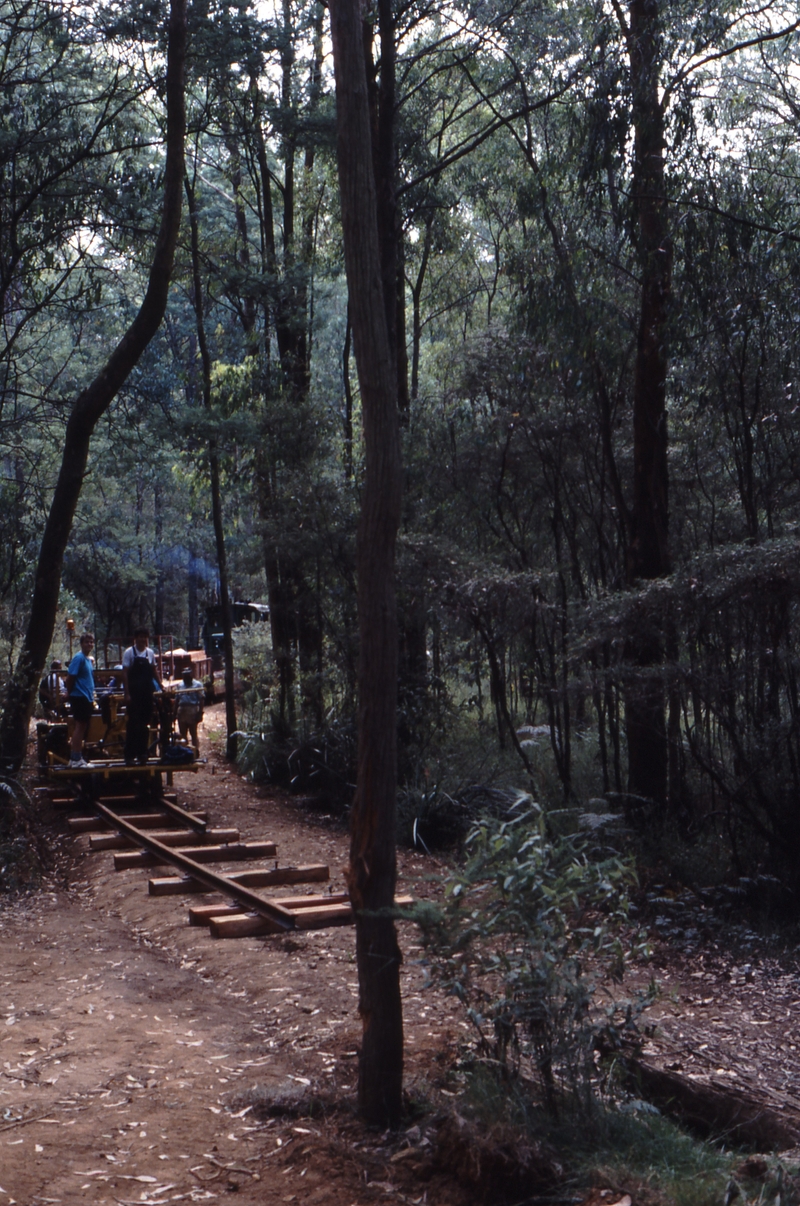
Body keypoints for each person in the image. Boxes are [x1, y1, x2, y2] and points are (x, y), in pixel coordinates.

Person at [122, 627, 165, 765]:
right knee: (133, 725)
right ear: (136, 638)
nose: (143, 639)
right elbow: (124, 673)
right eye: (140, 636)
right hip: (134, 695)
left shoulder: (150, 653)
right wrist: (127, 693)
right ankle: (129, 755)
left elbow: (154, 670)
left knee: (145, 725)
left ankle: (142, 754)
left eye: (145, 637)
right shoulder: (129, 653)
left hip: (147, 694)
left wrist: (161, 685)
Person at [65, 633, 95, 767]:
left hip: (86, 697)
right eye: (87, 642)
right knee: (79, 726)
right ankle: (75, 758)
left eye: (92, 642)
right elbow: (71, 677)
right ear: (82, 643)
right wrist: (69, 692)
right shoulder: (78, 658)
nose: (90, 644)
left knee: (82, 727)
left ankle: (77, 757)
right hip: (79, 696)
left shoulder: (87, 659)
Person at [176, 666, 204, 755]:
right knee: (182, 733)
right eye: (184, 675)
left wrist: (200, 712)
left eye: (188, 675)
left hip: (192, 709)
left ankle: (195, 752)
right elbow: (177, 699)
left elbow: (202, 699)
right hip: (182, 710)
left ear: (191, 675)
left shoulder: (197, 685)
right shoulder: (180, 685)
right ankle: (185, 753)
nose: (186, 677)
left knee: (193, 733)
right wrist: (174, 713)